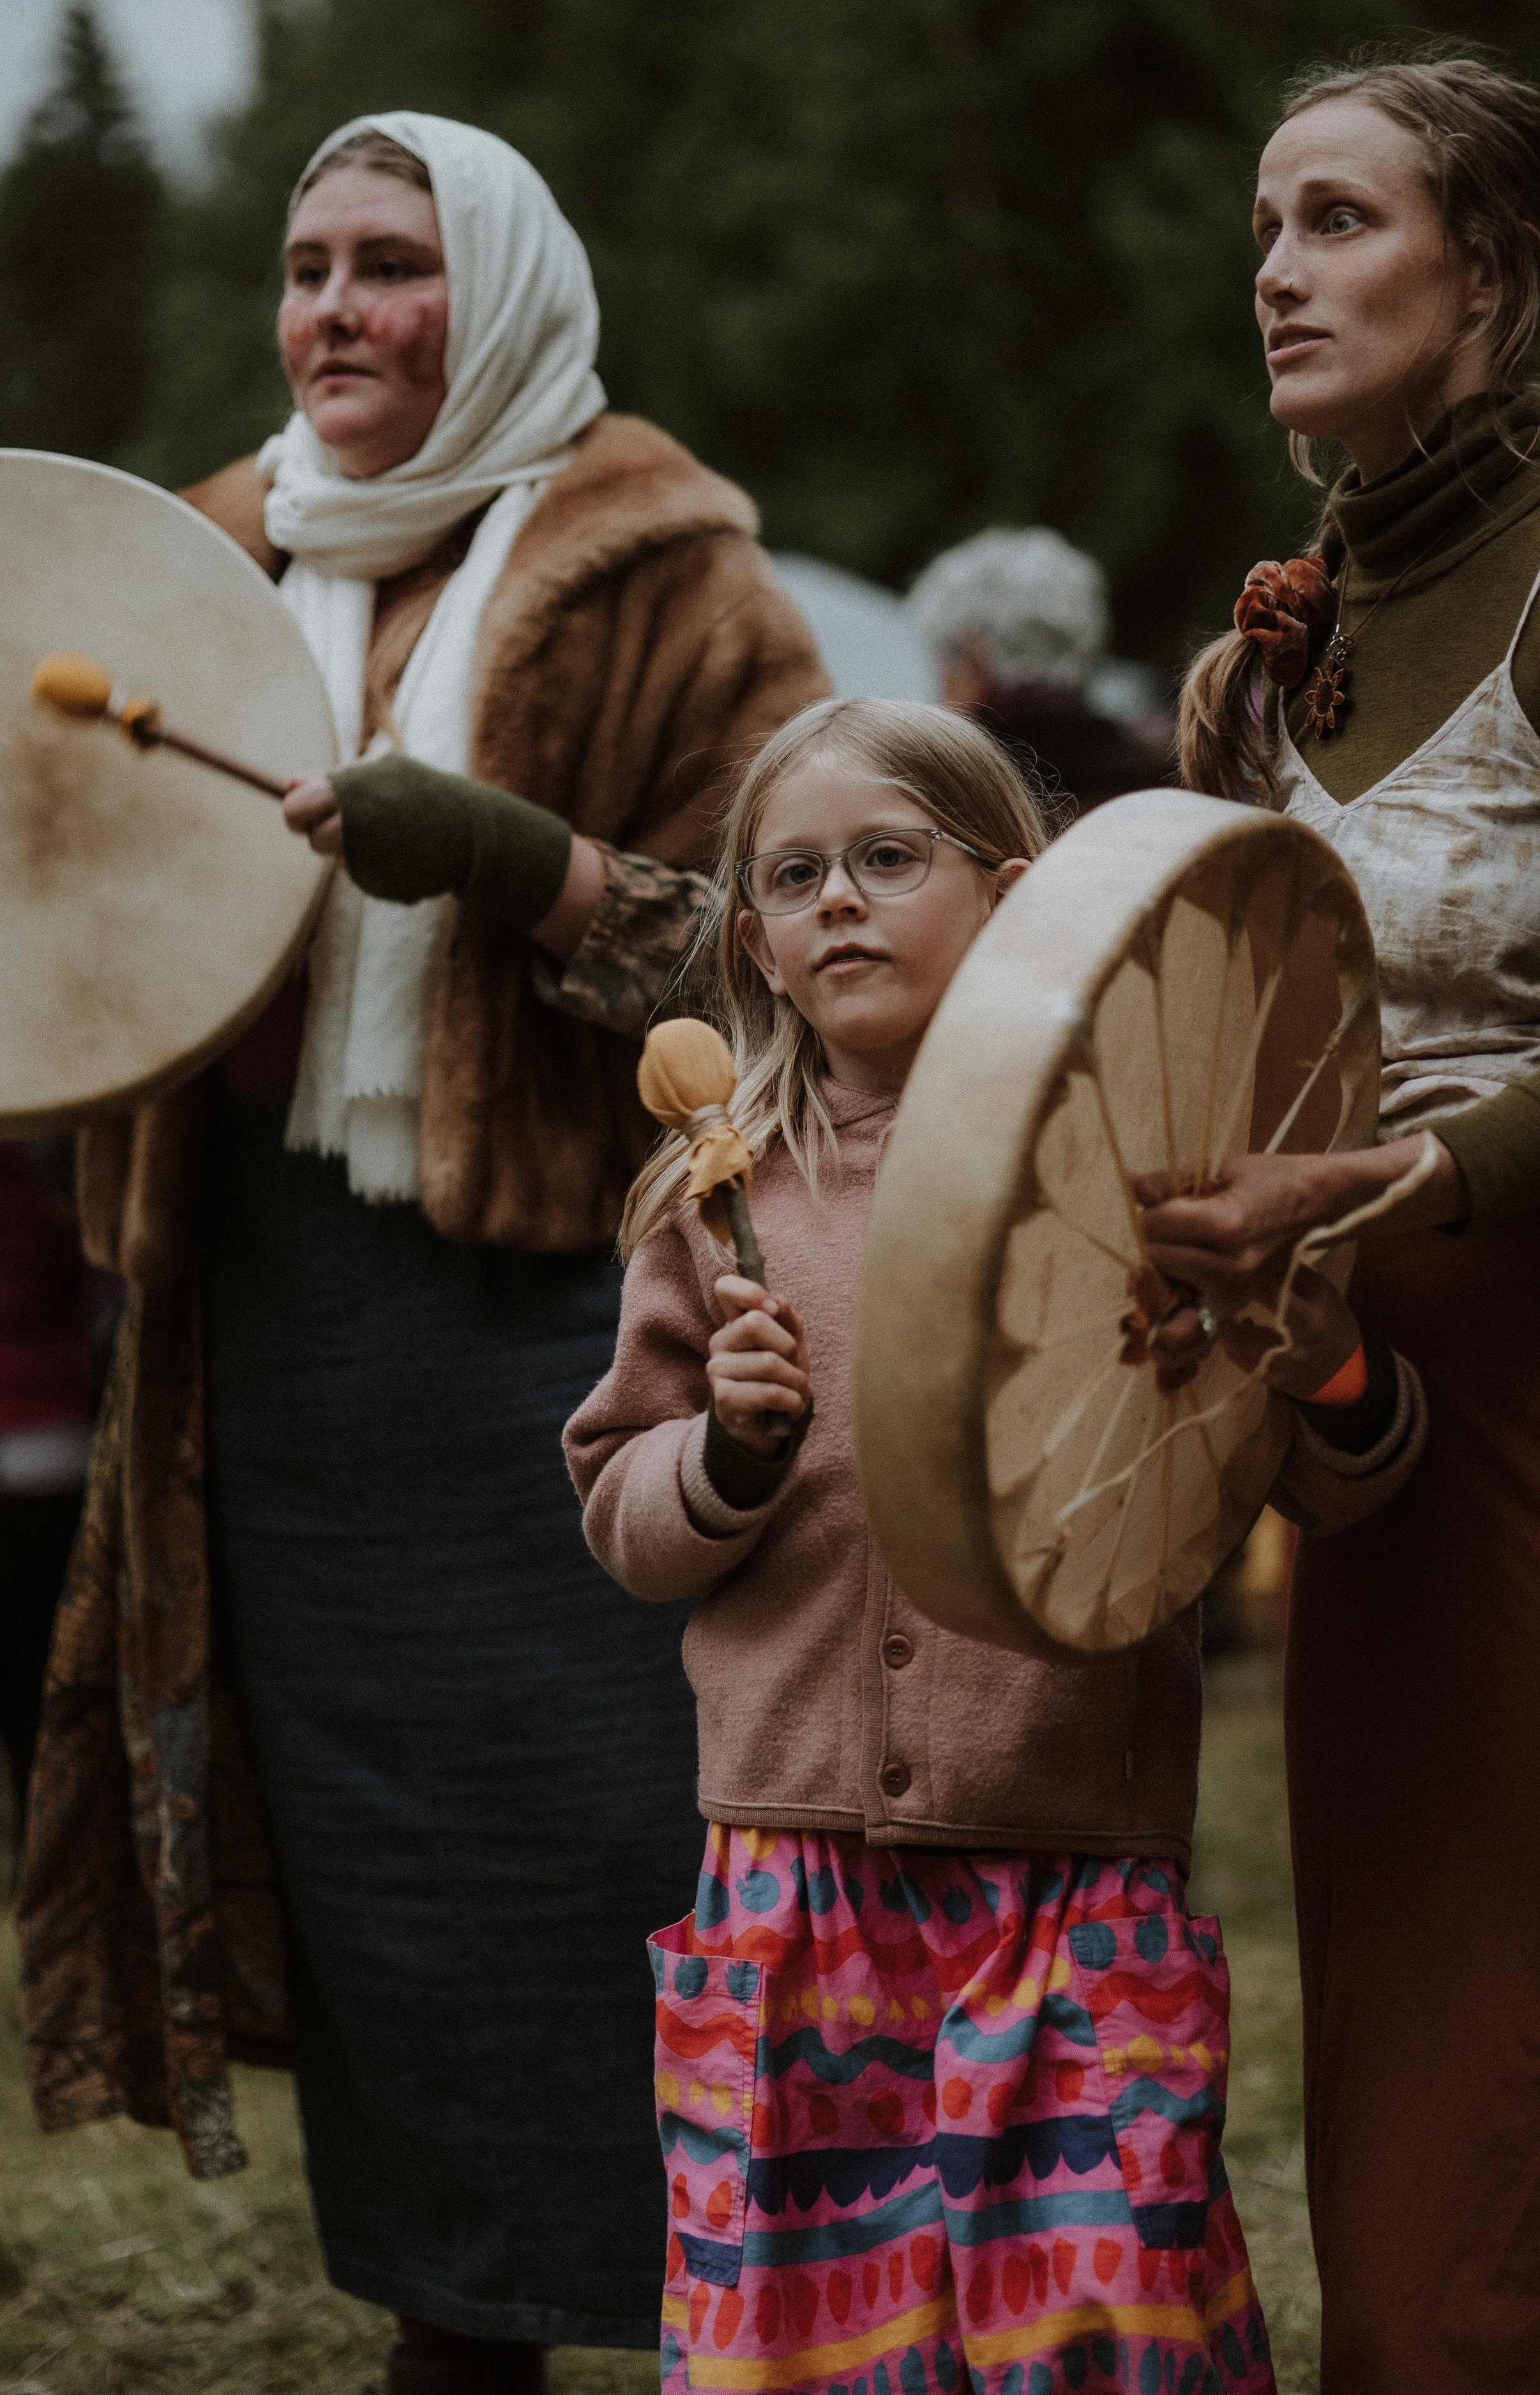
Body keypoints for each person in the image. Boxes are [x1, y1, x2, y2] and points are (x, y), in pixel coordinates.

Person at [18, 113, 826, 2394]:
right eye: (305, 265)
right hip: (268, 1342)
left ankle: (715, 2316)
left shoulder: (677, 582)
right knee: (378, 1898)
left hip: (577, 1334)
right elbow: (74, 927)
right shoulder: (189, 569)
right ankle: (448, 2334)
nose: (335, 311)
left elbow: (793, 969)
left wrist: (518, 862)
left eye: (392, 262)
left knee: (618, 1866)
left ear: (506, 292)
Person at [564, 697, 1431, 2395]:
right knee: (812, 2338)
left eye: (888, 857)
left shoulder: (1137, 1171)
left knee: (1098, 2325)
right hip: (791, 1883)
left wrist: (1320, 1352)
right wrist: (728, 1448)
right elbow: (624, 1516)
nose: (837, 900)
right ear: (751, 939)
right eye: (795, 875)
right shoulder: (719, 1189)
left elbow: (1339, 1482)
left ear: (1014, 892)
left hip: (1065, 1876)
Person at [1142, 53, 1540, 2393]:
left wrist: (1402, 1173)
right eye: (1262, 231)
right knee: (1409, 1991)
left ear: (1493, 276)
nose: (1277, 273)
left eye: (1336, 222)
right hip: (1348, 1404)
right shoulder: (1275, 637)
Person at [905, 527, 1174, 812]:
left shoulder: (945, 793)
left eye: (942, 665)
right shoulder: (1161, 783)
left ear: (971, 653)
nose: (939, 691)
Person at [0, 1140, 98, 1850]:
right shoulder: (46, 1129)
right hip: (50, 1432)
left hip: (44, 1433)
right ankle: (52, 1848)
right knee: (46, 1673)